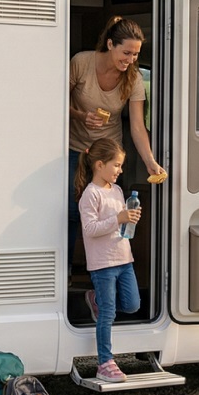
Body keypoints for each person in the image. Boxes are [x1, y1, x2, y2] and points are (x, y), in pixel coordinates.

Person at [68, 15, 165, 274]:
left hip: (109, 155)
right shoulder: (81, 62)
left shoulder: (132, 79)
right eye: (126, 53)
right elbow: (54, 101)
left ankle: (104, 278)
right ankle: (65, 274)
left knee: (112, 219)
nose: (131, 60)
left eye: (135, 55)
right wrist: (80, 115)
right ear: (110, 44)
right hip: (74, 150)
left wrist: (150, 161)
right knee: (72, 213)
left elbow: (136, 126)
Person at [75, 137, 142, 383]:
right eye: (116, 165)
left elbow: (119, 223)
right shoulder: (90, 195)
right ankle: (104, 363)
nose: (120, 170)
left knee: (133, 304)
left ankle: (95, 300)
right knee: (108, 313)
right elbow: (90, 229)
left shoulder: (117, 191)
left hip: (124, 259)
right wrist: (119, 218)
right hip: (103, 264)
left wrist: (130, 218)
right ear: (99, 165)